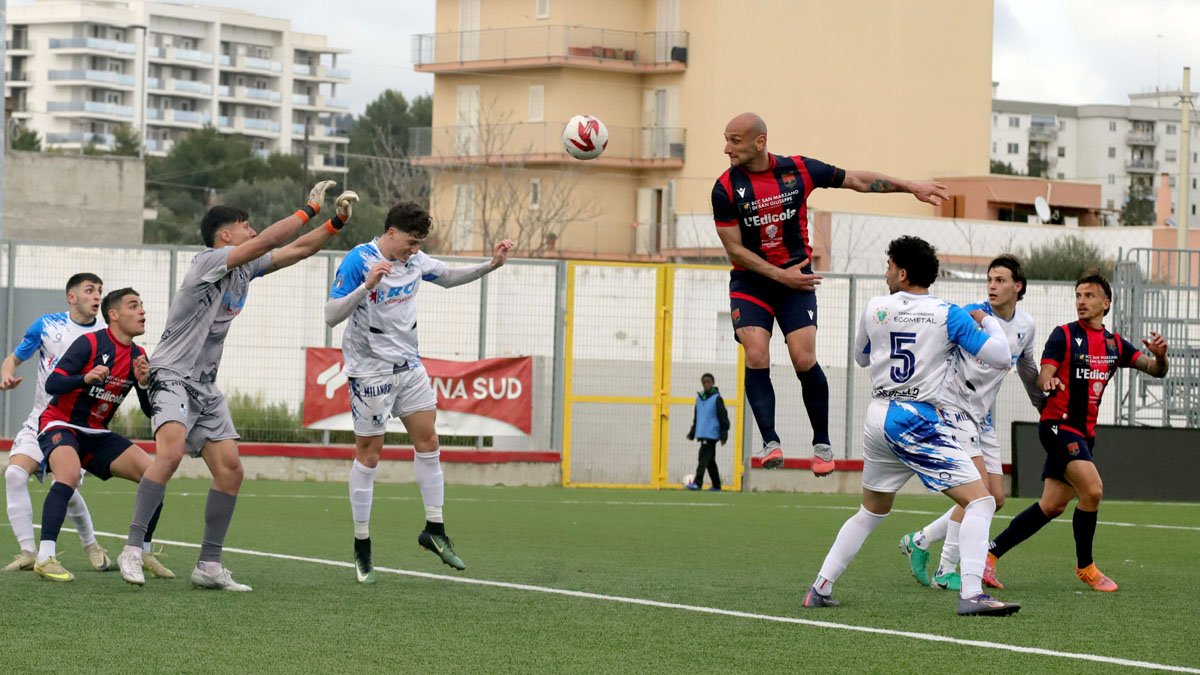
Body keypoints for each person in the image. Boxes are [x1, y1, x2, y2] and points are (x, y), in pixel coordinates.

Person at [118, 181, 359, 591]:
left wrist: (335, 223)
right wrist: (309, 210)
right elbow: (268, 241)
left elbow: (297, 250)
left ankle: (208, 565)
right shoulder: (208, 262)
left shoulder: (245, 268)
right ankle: (132, 548)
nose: (253, 231)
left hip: (205, 387)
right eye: (246, 226)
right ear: (226, 235)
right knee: (170, 454)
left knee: (231, 471)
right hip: (171, 375)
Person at [712, 112, 950, 475]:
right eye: (726, 140)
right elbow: (734, 250)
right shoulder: (725, 188)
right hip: (752, 282)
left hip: (796, 283)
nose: (727, 149)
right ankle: (770, 442)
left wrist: (908, 185)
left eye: (734, 140)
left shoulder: (798, 170)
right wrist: (779, 275)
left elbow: (856, 179)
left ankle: (821, 445)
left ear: (760, 142)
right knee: (756, 353)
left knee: (803, 357)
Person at [802, 236, 1021, 616]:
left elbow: (861, 357)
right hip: (915, 418)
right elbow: (1002, 357)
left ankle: (820, 587)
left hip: (878, 415)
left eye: (889, 266)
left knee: (872, 510)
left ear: (902, 273)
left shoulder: (875, 307)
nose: (886, 272)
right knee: (982, 501)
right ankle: (972, 594)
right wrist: (987, 319)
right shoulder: (947, 314)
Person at [324, 201, 513, 585]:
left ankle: (434, 529)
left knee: (429, 441)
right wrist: (366, 286)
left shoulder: (414, 261)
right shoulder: (359, 260)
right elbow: (331, 315)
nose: (414, 250)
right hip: (370, 373)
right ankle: (362, 544)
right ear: (391, 233)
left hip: (409, 368)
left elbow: (447, 276)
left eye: (419, 244)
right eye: (410, 242)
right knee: (370, 456)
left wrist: (490, 265)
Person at [985, 270, 1168, 593]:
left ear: (1106, 303)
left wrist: (1161, 356)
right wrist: (1050, 381)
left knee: (1052, 505)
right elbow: (1044, 376)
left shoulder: (1114, 344)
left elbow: (1155, 370)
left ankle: (990, 555)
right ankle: (1086, 568)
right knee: (1093, 490)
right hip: (1058, 426)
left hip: (1082, 434)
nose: (1082, 301)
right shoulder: (1064, 335)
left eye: (1089, 296)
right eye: (1078, 296)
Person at [898, 255, 1043, 590]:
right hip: (952, 406)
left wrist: (1041, 402)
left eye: (1000, 280)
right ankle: (946, 568)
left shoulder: (1026, 326)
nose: (992, 286)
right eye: (990, 279)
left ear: (1018, 286)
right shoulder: (971, 315)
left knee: (995, 498)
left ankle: (920, 540)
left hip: (982, 416)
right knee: (975, 491)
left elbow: (1026, 367)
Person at [32, 288, 172, 582]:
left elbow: (150, 411)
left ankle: (142, 551)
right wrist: (85, 378)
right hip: (60, 423)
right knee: (68, 475)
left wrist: (144, 384)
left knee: (155, 476)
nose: (142, 311)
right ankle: (44, 557)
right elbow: (53, 384)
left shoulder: (139, 356)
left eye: (142, 305)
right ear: (114, 315)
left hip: (96, 432)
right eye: (133, 306)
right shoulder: (90, 343)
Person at [1, 273, 110, 573]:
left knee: (66, 487)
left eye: (100, 291)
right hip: (40, 418)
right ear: (71, 297)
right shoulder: (47, 325)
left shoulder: (105, 336)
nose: (97, 296)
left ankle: (91, 545)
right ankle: (27, 551)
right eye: (90, 290)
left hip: (75, 424)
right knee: (14, 475)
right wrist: (6, 375)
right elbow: (12, 359)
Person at [685, 373, 729, 491]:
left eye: (708, 381)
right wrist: (692, 432)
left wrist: (724, 435)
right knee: (710, 461)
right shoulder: (699, 399)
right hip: (702, 433)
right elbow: (697, 418)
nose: (706, 384)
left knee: (702, 458)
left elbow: (723, 417)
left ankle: (697, 483)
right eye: (704, 382)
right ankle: (716, 485)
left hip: (711, 434)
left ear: (713, 383)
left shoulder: (717, 399)